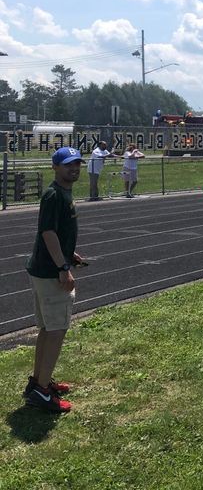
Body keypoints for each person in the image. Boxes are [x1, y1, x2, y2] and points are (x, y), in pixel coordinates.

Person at [23, 147, 87, 413]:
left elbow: (57, 232)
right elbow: (47, 232)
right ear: (55, 167)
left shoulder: (62, 194)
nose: (74, 168)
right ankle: (41, 392)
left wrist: (69, 254)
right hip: (50, 273)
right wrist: (63, 267)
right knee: (56, 330)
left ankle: (39, 382)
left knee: (48, 329)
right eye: (68, 164)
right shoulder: (53, 195)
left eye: (77, 164)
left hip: (46, 268)